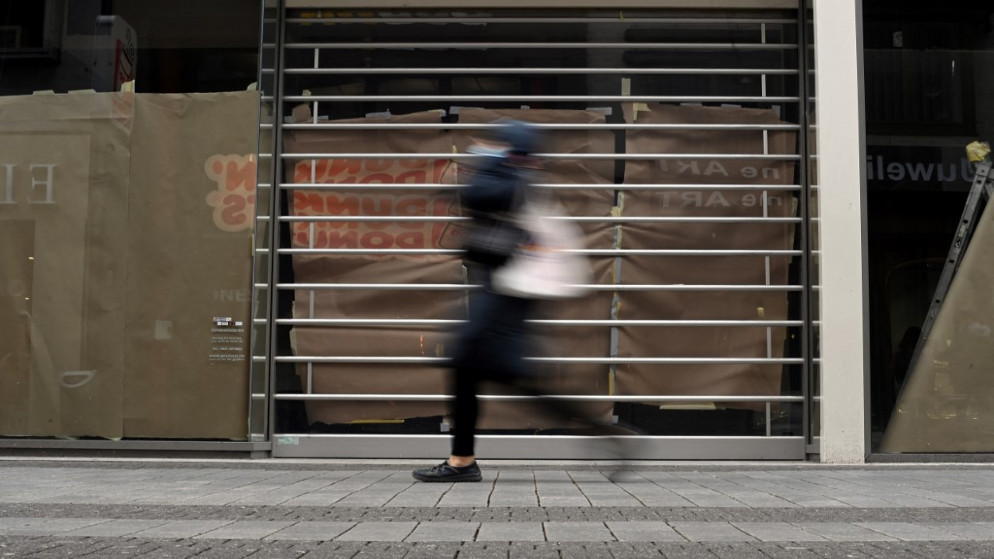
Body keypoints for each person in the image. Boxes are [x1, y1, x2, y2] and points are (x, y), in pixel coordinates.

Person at [412, 121, 623, 483]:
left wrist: (488, 160)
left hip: (508, 293)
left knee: (498, 371)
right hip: (498, 289)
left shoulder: (514, 179)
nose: (487, 147)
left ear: (514, 149)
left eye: (498, 143)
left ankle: (604, 433)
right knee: (471, 369)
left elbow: (479, 194)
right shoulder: (513, 176)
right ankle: (462, 460)